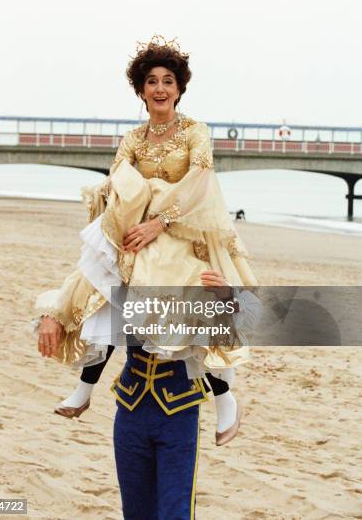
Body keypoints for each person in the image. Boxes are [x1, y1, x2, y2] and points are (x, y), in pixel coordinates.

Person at [35, 35, 260, 517]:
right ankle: (87, 383)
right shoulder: (133, 138)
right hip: (138, 225)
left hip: (185, 226)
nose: (159, 88)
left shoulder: (198, 131)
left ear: (179, 89)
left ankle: (224, 396)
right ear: (140, 91)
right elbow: (121, 179)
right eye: (151, 82)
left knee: (201, 301)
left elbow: (201, 180)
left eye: (168, 81)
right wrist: (123, 215)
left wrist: (162, 219)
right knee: (104, 280)